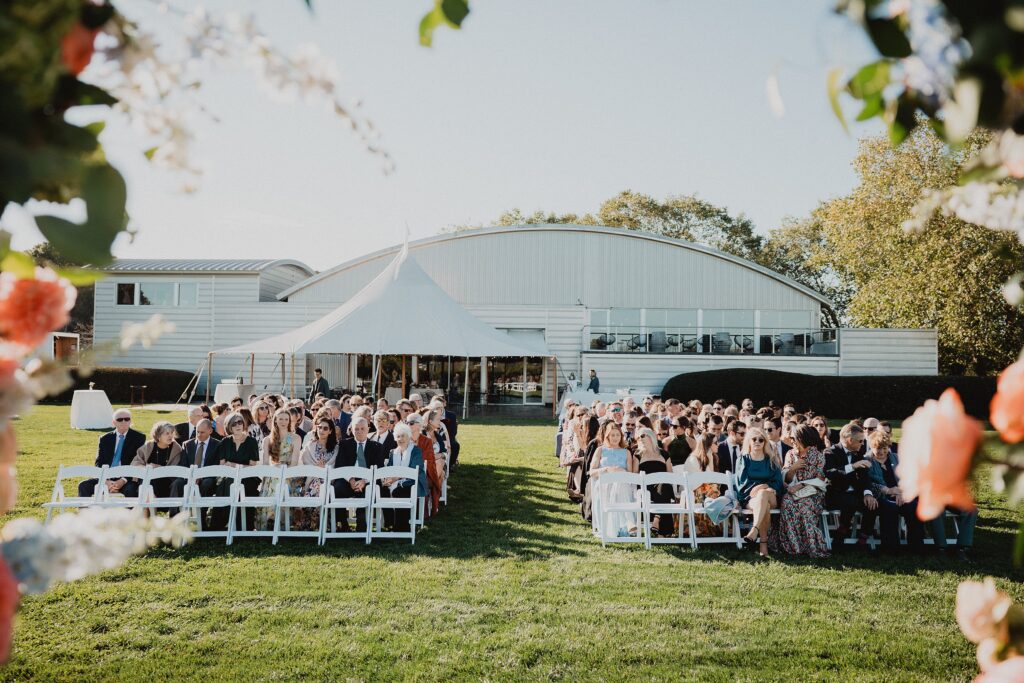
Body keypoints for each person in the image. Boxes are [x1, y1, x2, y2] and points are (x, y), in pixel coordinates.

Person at [771, 425, 830, 558]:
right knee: (787, 502)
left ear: (803, 438)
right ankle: (793, 546)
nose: (791, 440)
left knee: (802, 504)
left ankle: (810, 546)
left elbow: (820, 479)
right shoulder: (790, 454)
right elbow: (785, 478)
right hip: (792, 492)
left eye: (794, 438)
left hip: (813, 493)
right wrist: (793, 469)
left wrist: (801, 485)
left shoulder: (818, 456)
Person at [864, 429, 924, 554]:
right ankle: (891, 548)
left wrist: (901, 492)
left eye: (884, 448)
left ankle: (916, 546)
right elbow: (867, 483)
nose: (881, 452)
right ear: (871, 446)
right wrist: (887, 490)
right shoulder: (867, 460)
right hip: (880, 497)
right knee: (890, 508)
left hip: (900, 494)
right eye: (878, 448)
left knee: (913, 506)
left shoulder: (896, 458)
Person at [205, 412, 261, 530]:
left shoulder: (251, 442)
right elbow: (223, 465)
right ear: (229, 427)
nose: (237, 425)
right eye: (234, 423)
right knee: (227, 482)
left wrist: (233, 465)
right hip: (228, 478)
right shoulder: (225, 442)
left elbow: (252, 467)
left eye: (240, 422)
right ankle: (231, 523)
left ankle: (219, 524)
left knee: (228, 484)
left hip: (248, 478)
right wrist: (236, 467)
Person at [823, 423, 873, 549]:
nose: (863, 444)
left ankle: (863, 538)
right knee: (851, 501)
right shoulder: (830, 452)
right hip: (835, 492)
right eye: (860, 441)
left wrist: (867, 493)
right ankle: (841, 533)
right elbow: (830, 473)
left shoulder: (859, 452)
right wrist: (853, 466)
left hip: (854, 493)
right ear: (850, 440)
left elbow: (864, 477)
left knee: (873, 504)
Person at [735, 427, 784, 558]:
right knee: (763, 502)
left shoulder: (771, 460)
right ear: (749, 441)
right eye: (754, 439)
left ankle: (754, 530)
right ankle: (763, 543)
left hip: (771, 494)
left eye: (761, 440)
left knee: (764, 494)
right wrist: (758, 489)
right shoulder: (743, 460)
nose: (757, 442)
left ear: (765, 442)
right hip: (750, 498)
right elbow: (741, 484)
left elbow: (778, 483)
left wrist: (764, 486)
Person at [78, 409, 147, 498]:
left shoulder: (139, 438)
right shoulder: (105, 438)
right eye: (119, 419)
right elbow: (99, 462)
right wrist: (105, 480)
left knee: (131, 490)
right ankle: (86, 512)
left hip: (126, 477)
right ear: (114, 422)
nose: (123, 421)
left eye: (127, 419)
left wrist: (123, 480)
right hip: (106, 476)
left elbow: (137, 462)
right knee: (83, 486)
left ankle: (129, 512)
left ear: (130, 421)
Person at [334, 417, 385, 532]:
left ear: (368, 429)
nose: (359, 431)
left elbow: (378, 468)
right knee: (337, 488)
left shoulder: (376, 446)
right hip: (348, 480)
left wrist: (363, 481)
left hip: (367, 481)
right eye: (356, 429)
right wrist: (351, 480)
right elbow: (340, 465)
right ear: (352, 430)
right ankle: (343, 524)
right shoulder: (344, 444)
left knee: (367, 492)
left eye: (362, 428)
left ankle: (361, 525)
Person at [588, 421, 638, 537]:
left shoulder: (626, 452)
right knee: (617, 484)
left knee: (620, 483)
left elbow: (630, 475)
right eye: (612, 435)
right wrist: (607, 470)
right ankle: (629, 521)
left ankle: (626, 524)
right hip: (604, 485)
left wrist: (622, 472)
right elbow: (591, 472)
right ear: (607, 436)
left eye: (618, 435)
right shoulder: (600, 450)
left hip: (623, 485)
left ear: (621, 436)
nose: (615, 438)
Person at [291, 416, 340, 531]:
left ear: (330, 431)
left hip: (328, 479)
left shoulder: (336, 448)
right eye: (319, 427)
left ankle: (307, 518)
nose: (322, 430)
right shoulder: (310, 445)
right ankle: (314, 522)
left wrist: (324, 468)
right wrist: (316, 468)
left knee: (320, 482)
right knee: (317, 482)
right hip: (310, 478)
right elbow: (305, 462)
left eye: (325, 428)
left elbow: (333, 465)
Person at [381, 423, 428, 532]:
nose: (401, 439)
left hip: (412, 482)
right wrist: (386, 479)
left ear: (409, 436)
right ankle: (390, 523)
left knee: (400, 490)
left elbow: (413, 470)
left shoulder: (416, 451)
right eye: (398, 436)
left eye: (403, 436)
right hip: (395, 482)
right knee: (382, 490)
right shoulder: (393, 452)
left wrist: (395, 479)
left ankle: (402, 526)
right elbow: (389, 468)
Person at [128, 421, 183, 508]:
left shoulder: (176, 448)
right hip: (147, 481)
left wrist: (159, 468)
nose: (170, 436)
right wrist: (148, 467)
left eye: (172, 433)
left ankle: (149, 508)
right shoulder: (148, 446)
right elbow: (135, 463)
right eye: (167, 433)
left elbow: (175, 469)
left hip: (165, 482)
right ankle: (149, 508)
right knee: (147, 482)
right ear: (158, 435)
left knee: (147, 485)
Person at [681, 432, 723, 537]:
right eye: (715, 443)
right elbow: (701, 480)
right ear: (708, 445)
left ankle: (715, 524)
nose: (717, 445)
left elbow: (712, 478)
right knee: (712, 489)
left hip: (707, 490)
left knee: (713, 488)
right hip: (693, 492)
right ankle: (712, 524)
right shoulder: (693, 459)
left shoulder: (713, 457)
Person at [635, 428, 674, 537]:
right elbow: (634, 475)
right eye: (638, 437)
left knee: (664, 485)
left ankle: (656, 519)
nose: (640, 439)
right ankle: (664, 531)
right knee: (664, 492)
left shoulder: (664, 454)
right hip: (645, 488)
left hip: (662, 486)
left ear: (651, 436)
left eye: (642, 436)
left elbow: (670, 474)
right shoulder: (638, 455)